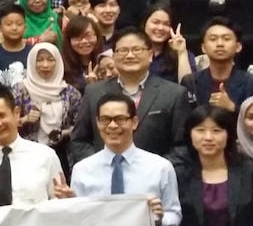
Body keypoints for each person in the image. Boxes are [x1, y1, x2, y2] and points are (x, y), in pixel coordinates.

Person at [59, 93, 181, 226]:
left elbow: (174, 215)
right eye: (105, 119)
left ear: (134, 122)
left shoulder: (160, 167)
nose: (112, 125)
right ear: (97, 123)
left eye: (120, 119)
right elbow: (79, 222)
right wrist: (70, 205)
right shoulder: (82, 169)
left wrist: (159, 220)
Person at [69, 28, 191, 165]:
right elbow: (79, 140)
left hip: (153, 180)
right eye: (123, 51)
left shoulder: (174, 94)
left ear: (150, 55)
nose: (130, 56)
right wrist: (100, 167)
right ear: (114, 56)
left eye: (137, 50)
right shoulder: (94, 92)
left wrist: (154, 172)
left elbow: (182, 147)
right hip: (103, 179)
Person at [0, 83, 65, 209]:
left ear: (16, 113)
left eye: (1, 115)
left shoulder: (46, 156)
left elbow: (59, 205)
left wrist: (67, 200)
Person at [182, 17, 253, 112]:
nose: (219, 44)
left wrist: (232, 107)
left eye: (226, 39)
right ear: (203, 47)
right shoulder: (190, 82)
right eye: (213, 39)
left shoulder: (252, 84)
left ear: (238, 47)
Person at [10, 43, 82, 148]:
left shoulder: (70, 92)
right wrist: (24, 119)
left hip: (63, 152)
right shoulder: (20, 90)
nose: (45, 65)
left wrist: (64, 133)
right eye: (39, 60)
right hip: (26, 151)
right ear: (31, 62)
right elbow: (6, 123)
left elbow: (80, 125)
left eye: (50, 59)